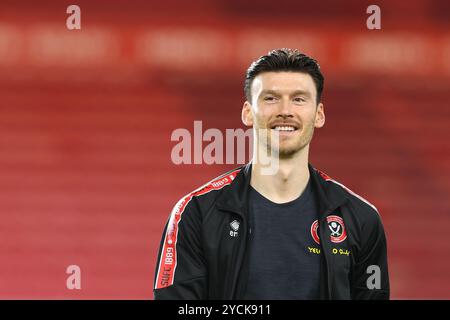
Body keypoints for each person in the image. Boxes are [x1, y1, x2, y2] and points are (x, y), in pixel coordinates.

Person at [153, 48, 390, 299]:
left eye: (299, 99)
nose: (285, 110)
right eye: (270, 98)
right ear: (247, 112)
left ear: (318, 114)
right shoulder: (195, 213)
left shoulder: (361, 218)